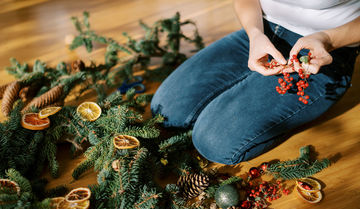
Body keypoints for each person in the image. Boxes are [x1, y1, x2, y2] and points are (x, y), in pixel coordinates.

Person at [151, 0, 360, 165]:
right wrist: (255, 34)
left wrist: (328, 39)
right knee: (166, 111)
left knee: (214, 142)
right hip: (264, 31)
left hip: (325, 51)